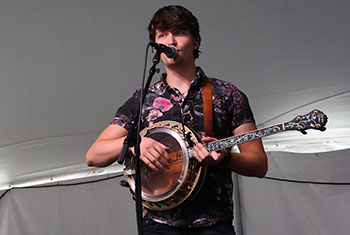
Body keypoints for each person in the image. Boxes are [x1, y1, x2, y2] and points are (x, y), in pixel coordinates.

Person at [86, 5, 268, 235]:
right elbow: (93, 156)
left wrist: (224, 159)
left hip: (213, 223)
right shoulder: (143, 100)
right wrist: (135, 145)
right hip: (158, 224)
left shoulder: (228, 95)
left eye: (179, 32)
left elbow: (259, 163)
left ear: (196, 42)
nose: (170, 41)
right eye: (162, 35)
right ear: (156, 48)